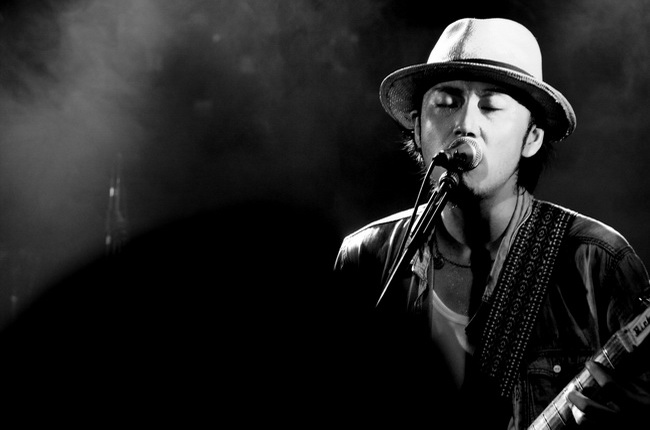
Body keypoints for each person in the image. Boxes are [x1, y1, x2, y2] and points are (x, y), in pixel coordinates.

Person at [333, 17, 650, 429]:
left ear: (532, 137)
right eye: (446, 102)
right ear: (417, 126)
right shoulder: (367, 257)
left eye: (492, 106)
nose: (465, 124)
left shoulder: (598, 261)